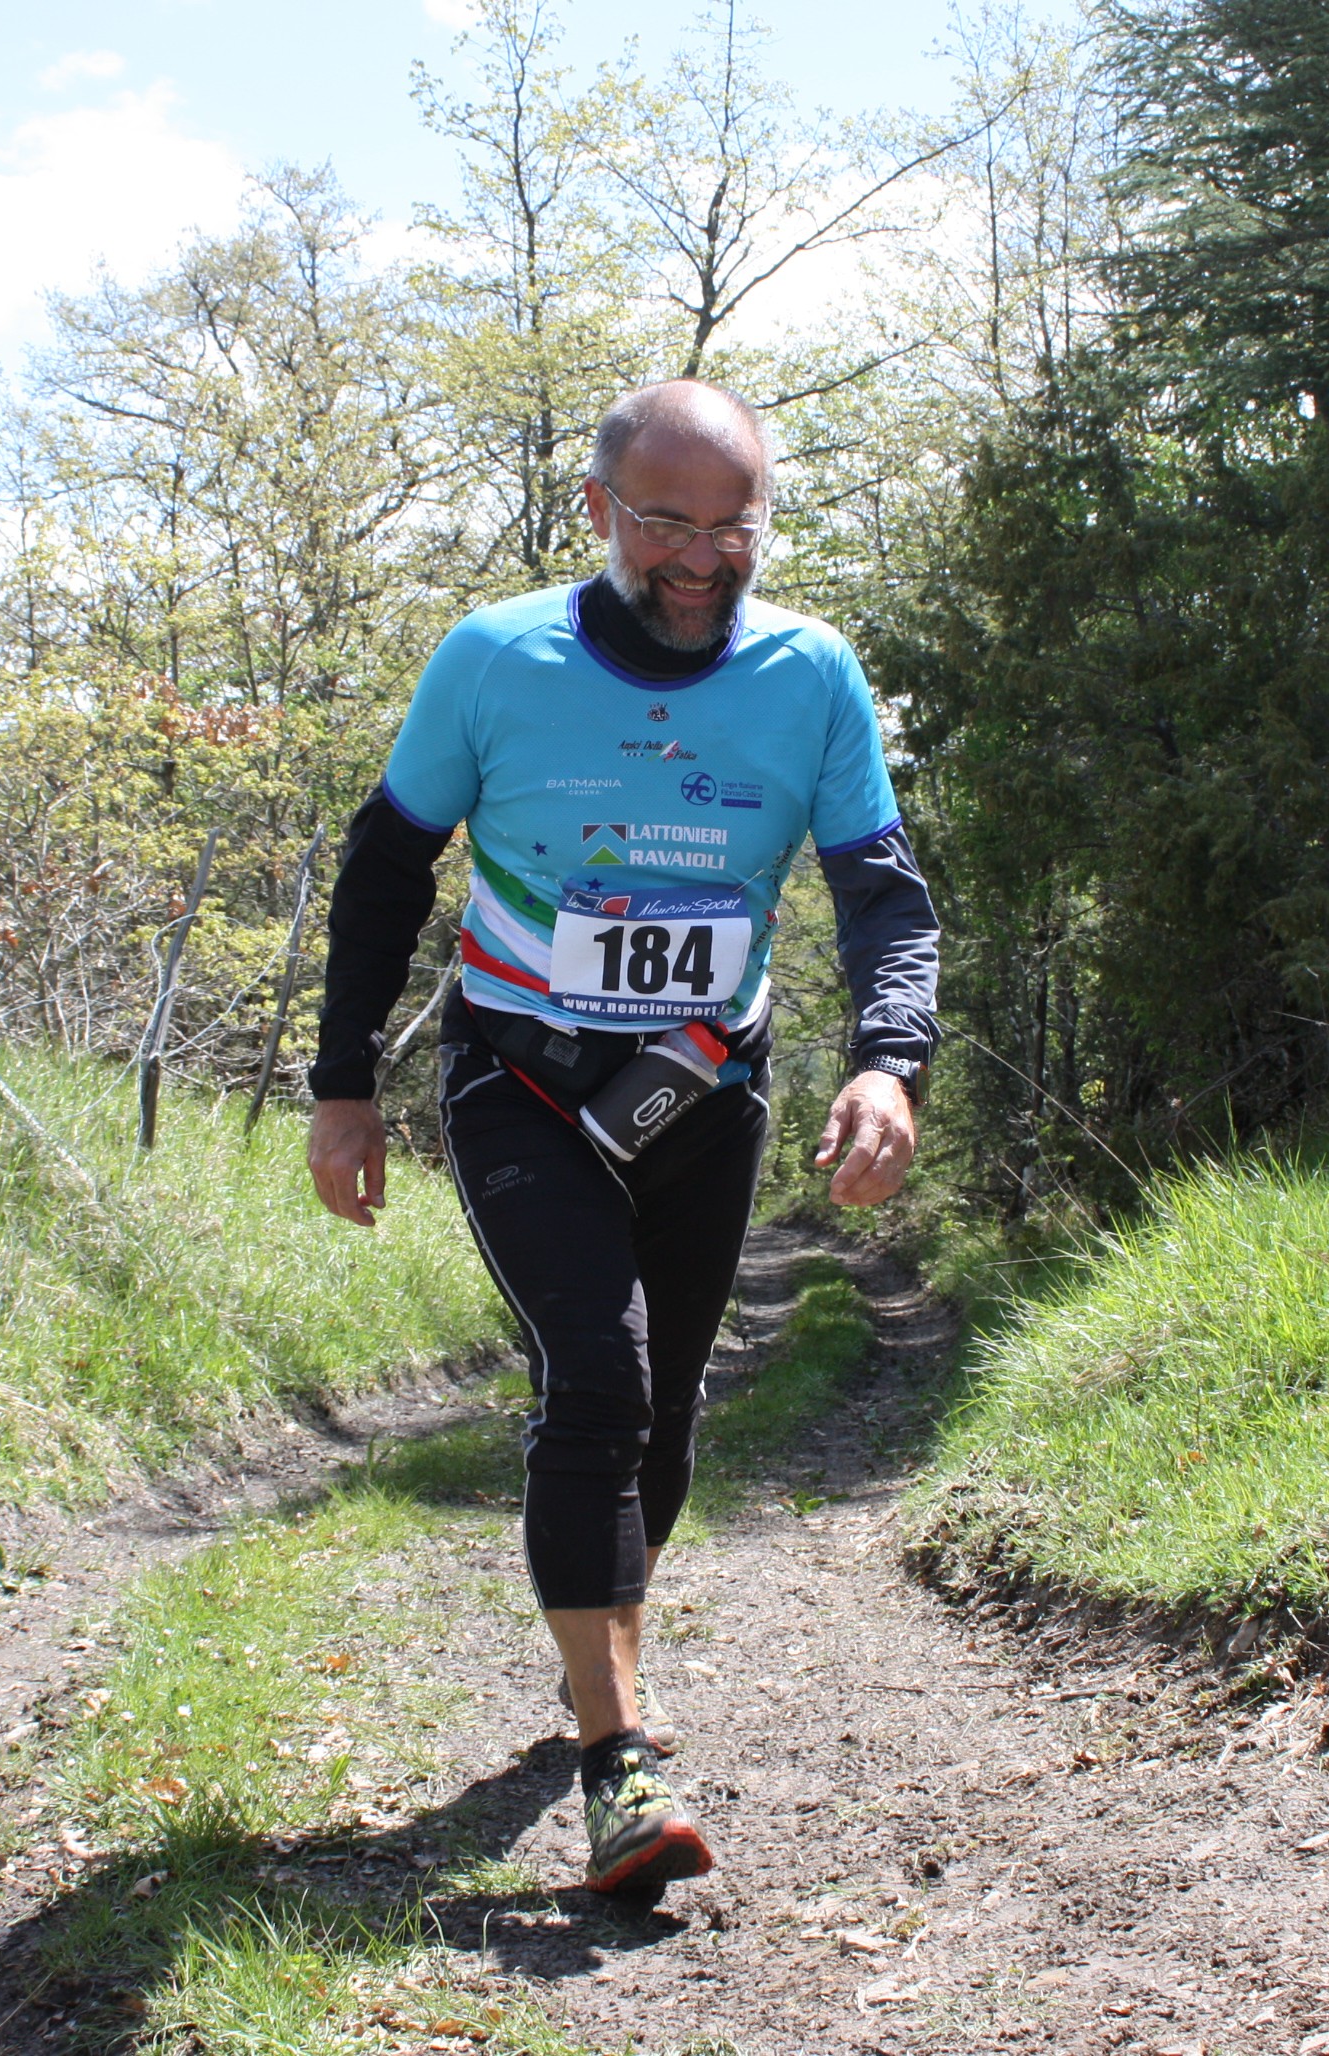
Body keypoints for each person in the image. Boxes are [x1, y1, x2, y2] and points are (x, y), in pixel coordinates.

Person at [304, 379, 940, 1897]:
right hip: (519, 1074)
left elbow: (881, 891)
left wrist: (889, 1063)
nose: (703, 560)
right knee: (597, 1373)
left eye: (735, 529)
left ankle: (607, 1677)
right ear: (599, 512)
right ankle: (619, 1761)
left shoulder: (812, 674)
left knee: (660, 1423)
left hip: (703, 1087)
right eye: (667, 525)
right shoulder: (493, 660)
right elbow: (387, 866)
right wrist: (340, 1086)